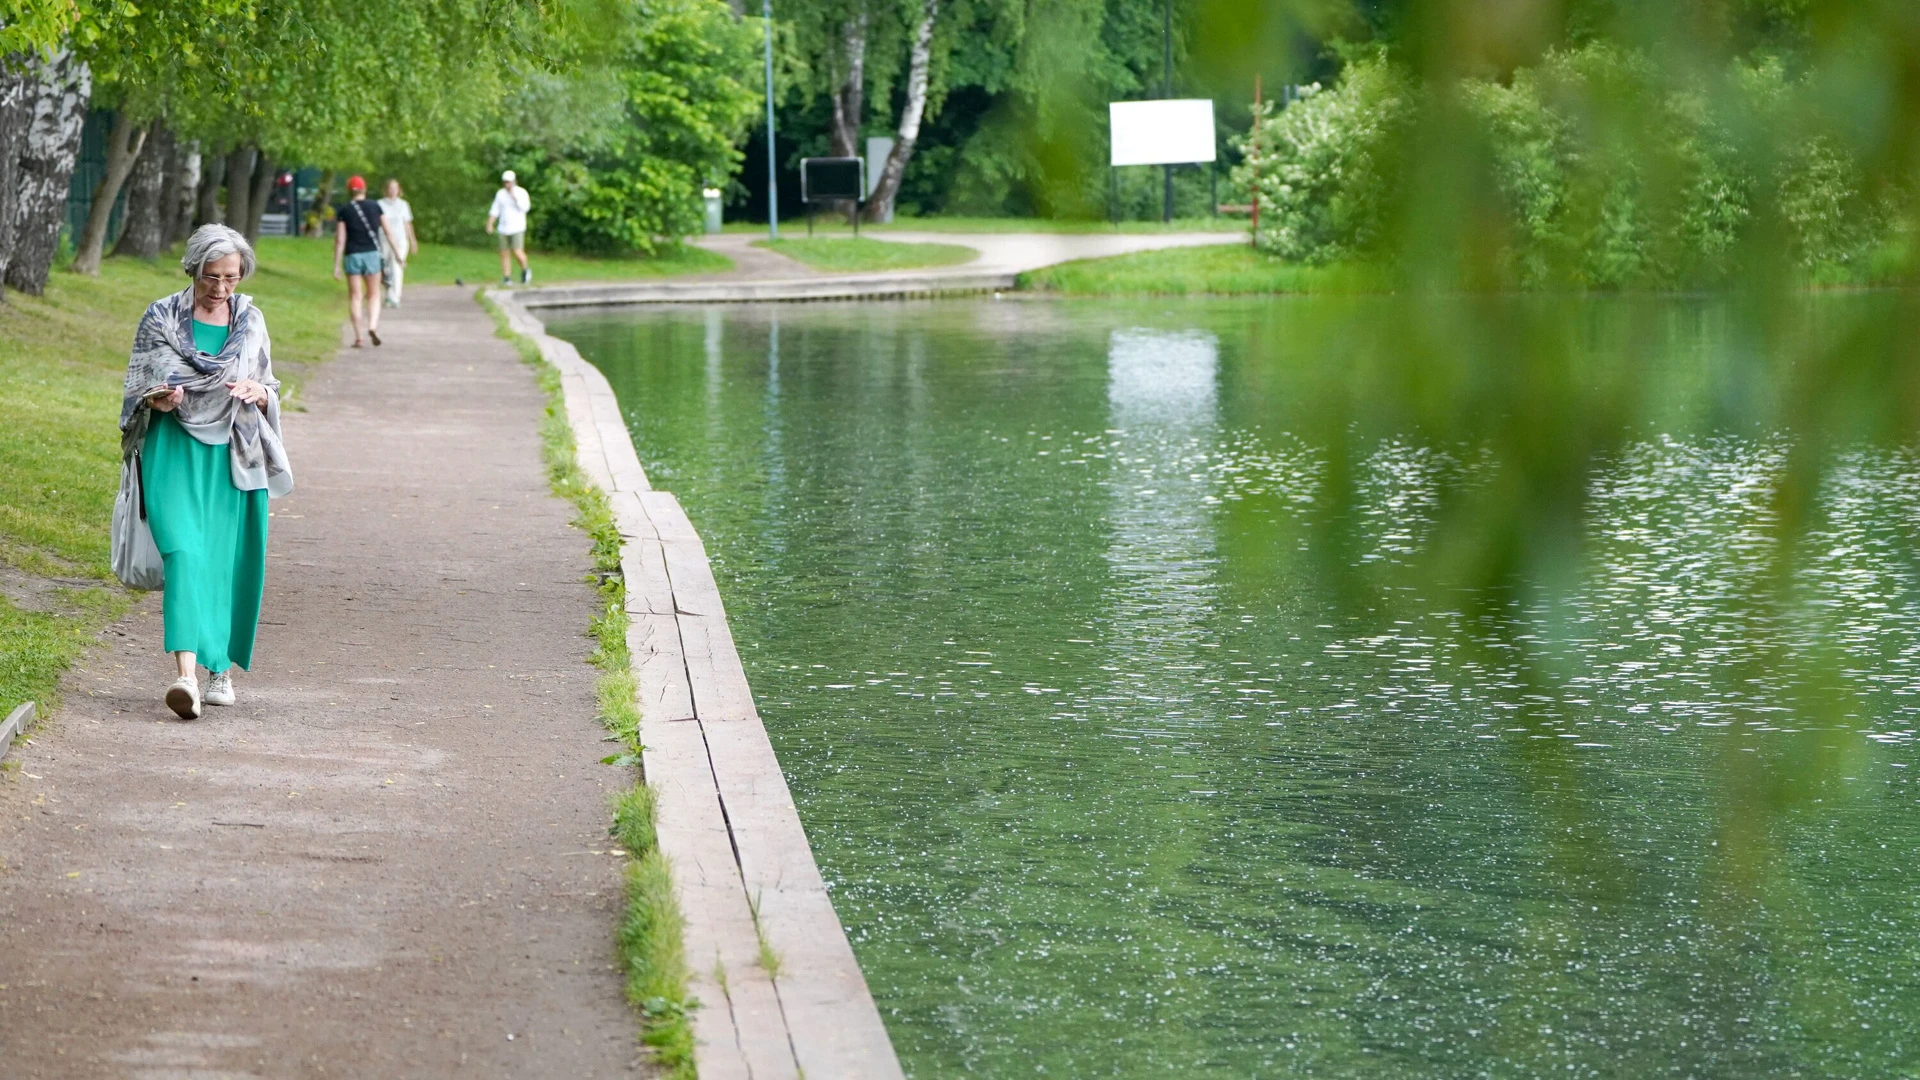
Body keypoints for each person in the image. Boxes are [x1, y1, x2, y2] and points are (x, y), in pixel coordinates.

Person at [121, 224, 293, 720]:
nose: (220, 288)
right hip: (173, 448)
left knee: (226, 560)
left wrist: (260, 394)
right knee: (184, 553)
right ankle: (185, 677)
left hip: (234, 455)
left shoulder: (252, 320)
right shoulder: (161, 317)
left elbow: (268, 383)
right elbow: (138, 387)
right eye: (211, 277)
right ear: (193, 270)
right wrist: (161, 396)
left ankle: (221, 671)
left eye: (231, 278)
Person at [332, 175, 386, 346]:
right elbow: (388, 232)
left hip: (352, 255)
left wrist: (336, 266)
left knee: (356, 296)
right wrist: (399, 255)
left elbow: (340, 240)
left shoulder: (344, 211)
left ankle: (359, 337)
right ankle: (373, 326)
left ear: (349, 191)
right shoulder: (376, 206)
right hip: (371, 254)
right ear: (364, 189)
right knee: (374, 294)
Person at [486, 169, 532, 286]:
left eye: (509, 182)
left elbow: (525, 208)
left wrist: (514, 197)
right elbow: (495, 209)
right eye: (505, 182)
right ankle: (507, 277)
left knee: (517, 251)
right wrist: (490, 223)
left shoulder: (521, 192)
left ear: (514, 182)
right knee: (504, 252)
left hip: (517, 227)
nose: (507, 185)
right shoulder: (500, 194)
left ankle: (525, 270)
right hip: (503, 227)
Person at [377, 178, 418, 307]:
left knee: (397, 265)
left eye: (395, 188)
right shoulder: (380, 204)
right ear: (386, 190)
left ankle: (395, 296)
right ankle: (388, 295)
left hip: (400, 239)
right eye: (390, 188)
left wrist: (412, 240)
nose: (393, 191)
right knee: (386, 267)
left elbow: (407, 223)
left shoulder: (403, 205)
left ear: (399, 190)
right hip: (384, 239)